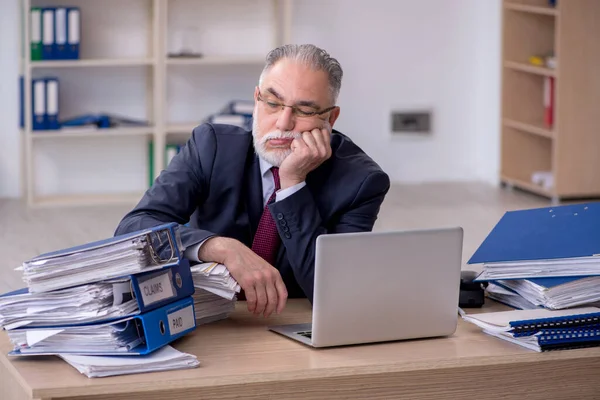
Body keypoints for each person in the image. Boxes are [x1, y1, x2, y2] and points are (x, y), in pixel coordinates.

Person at [114, 44, 390, 318]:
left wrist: (293, 184)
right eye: (272, 103)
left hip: (294, 319)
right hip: (212, 317)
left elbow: (332, 292)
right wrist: (219, 247)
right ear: (257, 99)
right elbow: (133, 229)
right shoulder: (212, 146)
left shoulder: (361, 181)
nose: (283, 123)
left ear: (330, 118)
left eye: (304, 111)